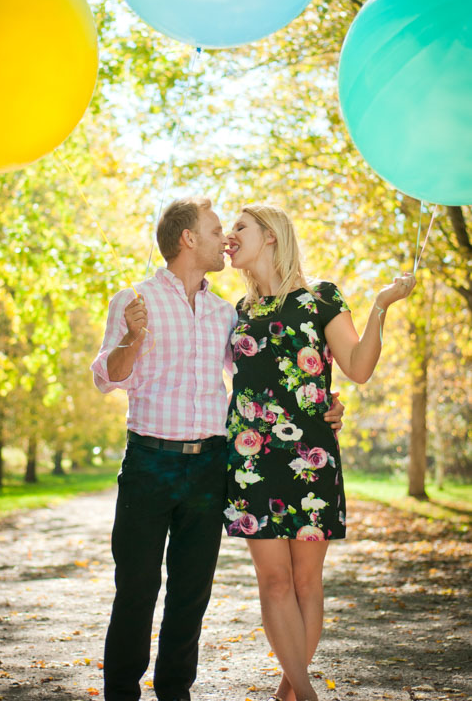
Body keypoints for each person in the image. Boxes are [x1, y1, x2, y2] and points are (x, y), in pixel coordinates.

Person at [91, 197, 345, 701]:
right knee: (137, 588)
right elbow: (109, 377)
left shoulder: (227, 313)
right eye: (214, 230)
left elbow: (264, 374)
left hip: (210, 466)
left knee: (191, 593)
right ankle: (122, 693)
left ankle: (174, 693)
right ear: (188, 238)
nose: (224, 239)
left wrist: (327, 404)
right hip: (149, 462)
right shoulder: (133, 300)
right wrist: (134, 339)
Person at [222, 203, 416, 701]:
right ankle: (305, 694)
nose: (229, 235)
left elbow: (357, 366)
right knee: (274, 582)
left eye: (239, 227)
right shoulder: (239, 313)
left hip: (310, 455)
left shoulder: (320, 298)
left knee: (307, 583)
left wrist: (380, 305)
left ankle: (290, 690)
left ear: (269, 236)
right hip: (250, 462)